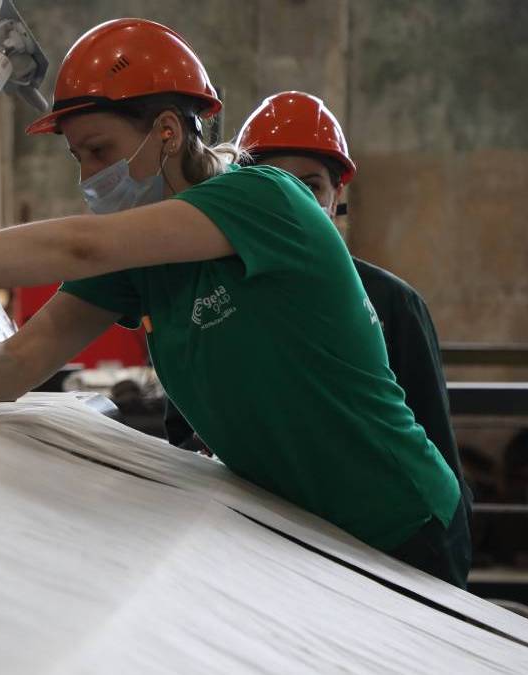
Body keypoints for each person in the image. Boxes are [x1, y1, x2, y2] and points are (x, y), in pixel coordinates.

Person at [0, 19, 469, 587]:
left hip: (397, 523)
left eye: (99, 151)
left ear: (167, 131)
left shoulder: (267, 198)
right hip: (303, 530)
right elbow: (14, 363)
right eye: (78, 158)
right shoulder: (141, 262)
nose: (89, 177)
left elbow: (79, 246)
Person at [163, 91, 473, 573]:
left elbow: (435, 447)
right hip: (264, 544)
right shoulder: (212, 300)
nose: (291, 202)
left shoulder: (392, 303)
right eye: (272, 184)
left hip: (381, 542)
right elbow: (184, 437)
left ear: (336, 197)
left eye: (310, 186)